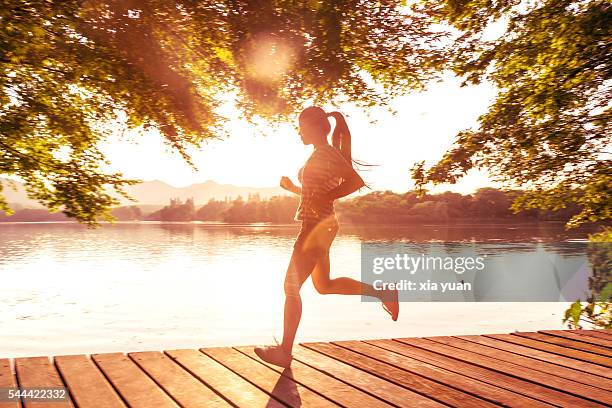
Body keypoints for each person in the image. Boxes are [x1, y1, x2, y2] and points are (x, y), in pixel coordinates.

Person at [254, 106, 399, 368]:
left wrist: (327, 196)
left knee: (290, 287)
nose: (299, 132)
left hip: (316, 227)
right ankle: (382, 293)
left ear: (317, 127)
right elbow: (316, 195)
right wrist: (293, 189)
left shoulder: (327, 153)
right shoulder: (320, 154)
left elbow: (354, 181)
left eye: (301, 127)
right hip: (320, 224)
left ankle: (284, 352)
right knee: (324, 285)